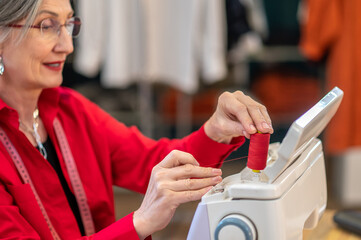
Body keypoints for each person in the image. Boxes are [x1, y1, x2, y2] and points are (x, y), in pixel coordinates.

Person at [0, 0, 273, 239]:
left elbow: (154, 163)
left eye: (69, 24)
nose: (67, 46)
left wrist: (217, 129)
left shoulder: (72, 112)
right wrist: (140, 223)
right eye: (48, 26)